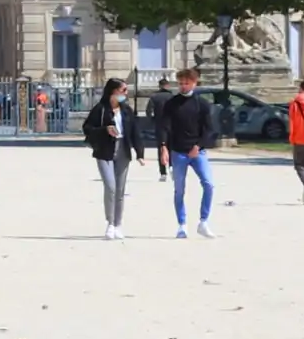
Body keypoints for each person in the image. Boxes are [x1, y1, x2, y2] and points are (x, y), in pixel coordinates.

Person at [157, 67, 217, 239]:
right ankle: (181, 224)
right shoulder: (171, 103)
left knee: (208, 184)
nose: (183, 86)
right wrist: (163, 147)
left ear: (194, 83)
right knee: (179, 189)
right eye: (181, 83)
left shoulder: (202, 104)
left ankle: (204, 221)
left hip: (198, 151)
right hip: (178, 152)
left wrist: (199, 145)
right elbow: (164, 127)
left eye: (186, 83)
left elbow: (210, 129)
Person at [83, 78, 145, 240]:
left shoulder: (126, 110)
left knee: (120, 190)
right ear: (113, 91)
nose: (126, 93)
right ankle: (110, 223)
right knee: (110, 186)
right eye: (123, 90)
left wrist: (140, 153)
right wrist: (105, 130)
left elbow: (135, 132)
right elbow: (87, 128)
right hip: (104, 151)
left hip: (123, 150)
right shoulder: (100, 109)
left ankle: (118, 224)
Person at [147, 77, 175, 179]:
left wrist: (153, 120)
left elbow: (148, 111)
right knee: (172, 148)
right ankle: (172, 167)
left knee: (161, 148)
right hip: (172, 125)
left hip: (160, 124)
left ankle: (163, 173)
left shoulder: (154, 97)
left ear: (159, 86)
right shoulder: (172, 97)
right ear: (167, 85)